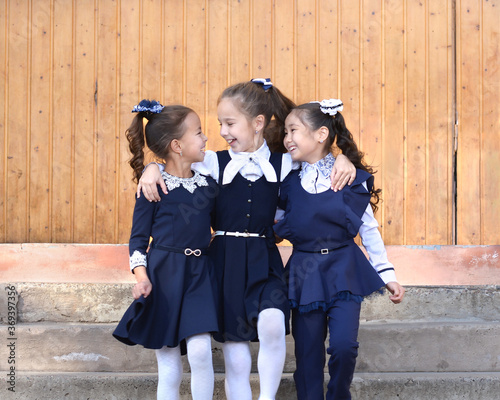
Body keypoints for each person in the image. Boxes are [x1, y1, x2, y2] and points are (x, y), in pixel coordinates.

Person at [137, 80, 356, 400]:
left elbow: (318, 157)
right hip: (224, 260)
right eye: (219, 124)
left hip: (263, 256)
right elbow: (175, 159)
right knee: (236, 350)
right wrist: (152, 168)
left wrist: (341, 158)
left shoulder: (284, 162)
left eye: (229, 123)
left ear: (257, 124)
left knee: (272, 323)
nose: (223, 131)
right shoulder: (213, 161)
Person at [274, 99, 405, 400]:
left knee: (345, 347)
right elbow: (276, 223)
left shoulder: (348, 177)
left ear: (320, 135)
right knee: (307, 354)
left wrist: (388, 274)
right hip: (304, 274)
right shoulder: (287, 180)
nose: (286, 138)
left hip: (345, 271)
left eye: (293, 130)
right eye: (285, 132)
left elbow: (368, 229)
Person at [113, 100, 219, 400]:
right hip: (164, 277)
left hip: (200, 275)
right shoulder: (152, 187)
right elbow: (137, 241)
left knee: (200, 353)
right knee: (169, 362)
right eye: (198, 132)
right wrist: (142, 277)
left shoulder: (209, 185)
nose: (205, 138)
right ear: (177, 145)